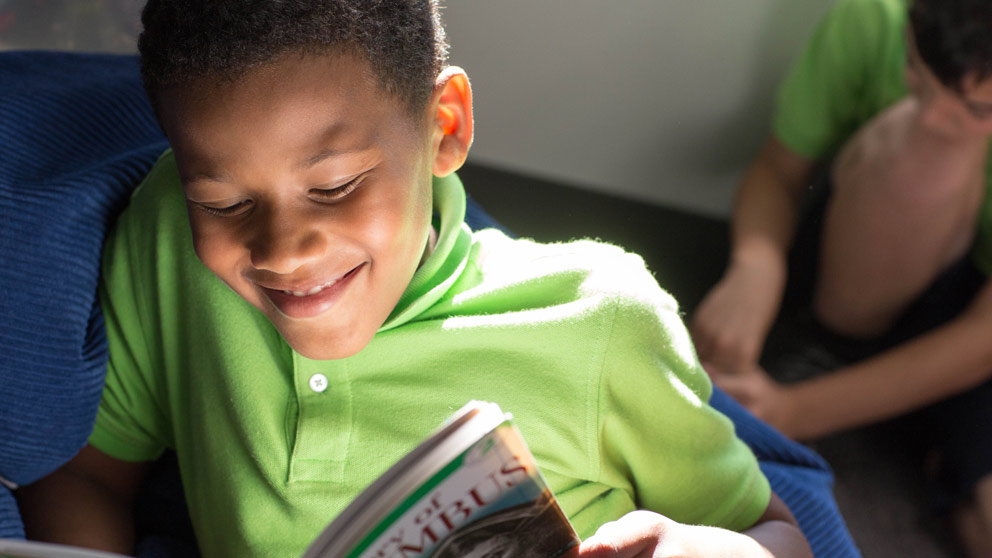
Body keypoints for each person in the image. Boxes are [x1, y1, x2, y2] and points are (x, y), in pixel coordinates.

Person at [14, 1, 811, 557]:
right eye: (224, 203)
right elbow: (90, 471)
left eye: (334, 187)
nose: (283, 253)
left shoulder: (599, 318)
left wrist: (702, 549)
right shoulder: (168, 236)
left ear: (445, 127)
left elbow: (777, 532)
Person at [690, 0, 992, 554]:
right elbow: (779, 169)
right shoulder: (876, 18)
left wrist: (795, 410)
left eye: (976, 107)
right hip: (850, 268)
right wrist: (756, 264)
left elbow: (983, 337)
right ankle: (828, 361)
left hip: (971, 316)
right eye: (916, 71)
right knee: (923, 147)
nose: (933, 112)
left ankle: (940, 459)